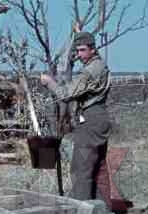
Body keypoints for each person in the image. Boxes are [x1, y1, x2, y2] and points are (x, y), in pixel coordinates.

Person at [40, 30, 111, 201]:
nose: (79, 55)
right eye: (77, 51)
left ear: (92, 49)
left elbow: (66, 94)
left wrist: (50, 83)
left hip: (90, 120)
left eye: (82, 50)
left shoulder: (90, 71)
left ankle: (83, 213)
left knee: (82, 167)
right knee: (98, 168)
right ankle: (103, 210)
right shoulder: (100, 65)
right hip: (99, 118)